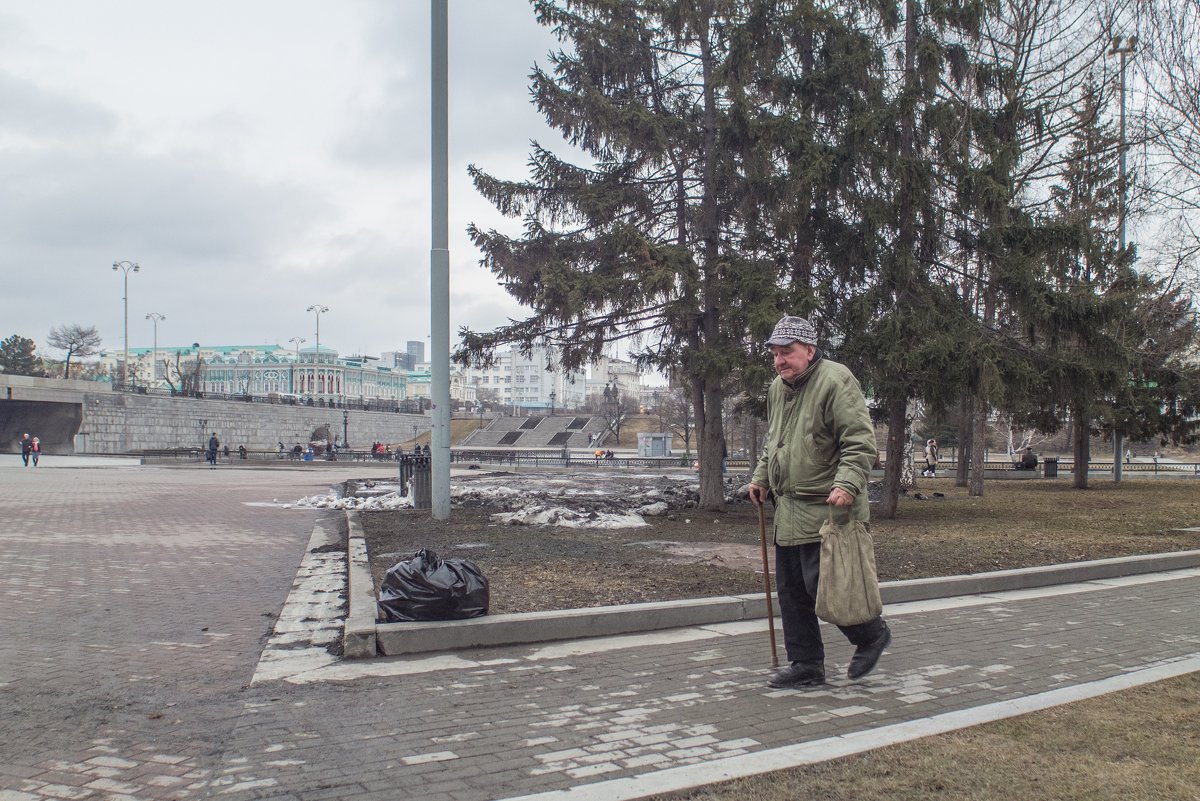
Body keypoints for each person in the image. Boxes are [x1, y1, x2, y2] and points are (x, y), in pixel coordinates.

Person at [748, 315, 891, 688]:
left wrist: (847, 483)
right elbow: (774, 442)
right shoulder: (777, 389)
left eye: (787, 353)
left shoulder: (836, 380)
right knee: (792, 592)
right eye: (775, 354)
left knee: (829, 588)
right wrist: (761, 478)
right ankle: (806, 665)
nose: (780, 361)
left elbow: (860, 442)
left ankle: (872, 635)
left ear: (809, 351)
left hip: (830, 508)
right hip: (789, 509)